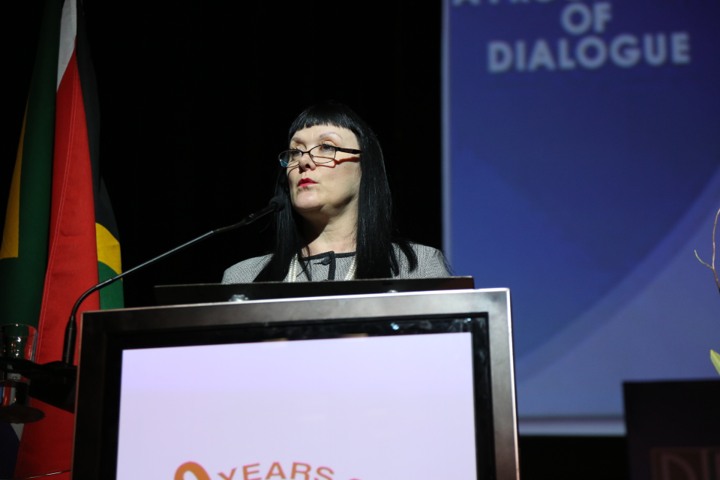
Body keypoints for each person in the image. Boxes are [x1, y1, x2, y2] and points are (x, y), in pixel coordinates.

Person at [222, 100, 451, 283]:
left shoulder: (418, 268)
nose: (304, 161)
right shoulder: (244, 278)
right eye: (295, 151)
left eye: (326, 147)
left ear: (365, 167)